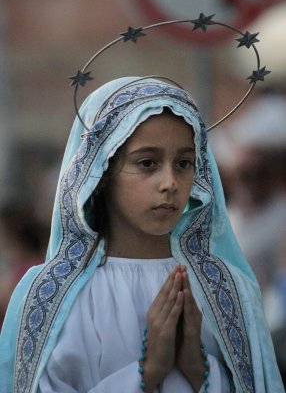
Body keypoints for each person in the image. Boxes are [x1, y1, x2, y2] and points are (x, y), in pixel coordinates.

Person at [0, 76, 284, 393]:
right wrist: (145, 375)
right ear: (101, 172)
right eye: (147, 163)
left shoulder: (227, 289)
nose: (170, 183)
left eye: (184, 163)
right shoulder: (49, 295)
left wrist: (200, 370)